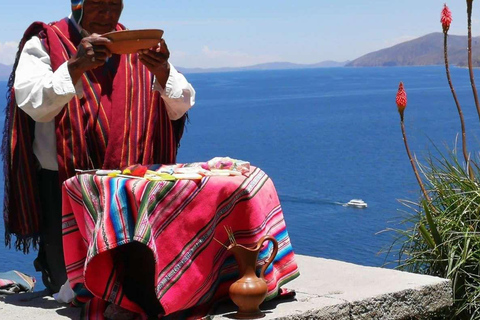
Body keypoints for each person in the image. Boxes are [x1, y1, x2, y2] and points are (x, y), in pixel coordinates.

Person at [2, 0, 195, 296]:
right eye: (97, 5)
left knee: (132, 278)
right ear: (77, 4)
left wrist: (163, 72)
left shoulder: (136, 44)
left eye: (114, 5)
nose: (107, 14)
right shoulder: (44, 42)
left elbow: (180, 105)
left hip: (131, 187)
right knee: (71, 282)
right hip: (65, 187)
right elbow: (34, 105)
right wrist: (75, 67)